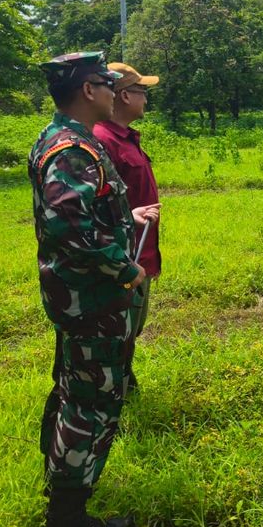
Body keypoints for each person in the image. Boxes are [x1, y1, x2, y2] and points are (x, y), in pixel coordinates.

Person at [28, 52, 160, 527]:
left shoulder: (58, 139)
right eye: (107, 83)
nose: (114, 91)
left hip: (81, 299)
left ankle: (61, 497)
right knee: (91, 404)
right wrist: (124, 268)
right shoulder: (73, 150)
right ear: (89, 90)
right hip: (94, 301)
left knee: (73, 392)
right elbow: (70, 229)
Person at [93, 62, 161, 367]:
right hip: (121, 257)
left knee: (132, 328)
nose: (145, 99)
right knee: (117, 332)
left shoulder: (125, 137)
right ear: (123, 96)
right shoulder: (102, 141)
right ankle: (115, 390)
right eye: (141, 91)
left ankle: (122, 382)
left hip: (139, 252)